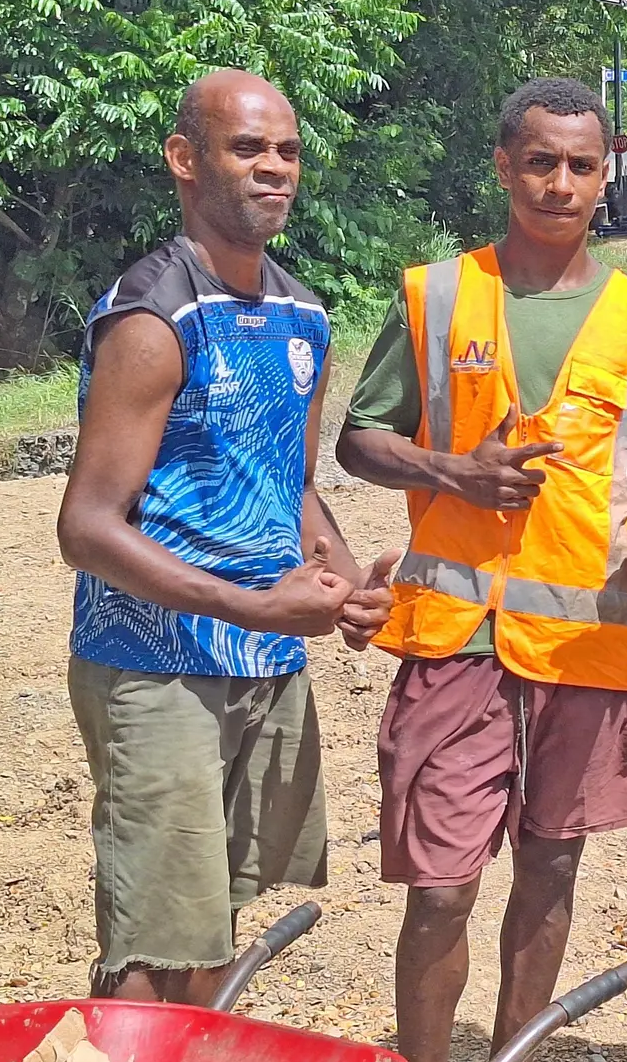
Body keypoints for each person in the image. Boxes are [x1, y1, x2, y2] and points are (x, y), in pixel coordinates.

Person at [329, 78, 627, 1062]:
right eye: (540, 163)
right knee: (441, 887)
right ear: (503, 167)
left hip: (589, 653)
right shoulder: (440, 297)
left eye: (582, 167)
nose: (561, 185)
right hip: (457, 638)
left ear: (609, 176)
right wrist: (450, 469)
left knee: (549, 873)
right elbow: (360, 441)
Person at [56, 69, 397, 1007]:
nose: (273, 169)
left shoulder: (301, 313)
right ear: (185, 160)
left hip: (265, 661)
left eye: (286, 151)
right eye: (247, 149)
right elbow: (85, 527)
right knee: (153, 939)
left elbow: (289, 485)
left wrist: (343, 583)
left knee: (213, 922)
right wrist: (252, 603)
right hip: (155, 667)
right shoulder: (154, 315)